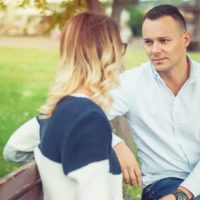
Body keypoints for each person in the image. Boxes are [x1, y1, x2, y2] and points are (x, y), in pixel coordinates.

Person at [3, 4, 200, 200]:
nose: (154, 50)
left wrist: (183, 194)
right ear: (108, 55)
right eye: (148, 42)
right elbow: (88, 117)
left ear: (185, 39)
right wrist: (116, 143)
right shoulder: (126, 87)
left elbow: (15, 148)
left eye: (164, 41)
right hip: (162, 184)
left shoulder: (64, 110)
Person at [4, 12, 126, 200]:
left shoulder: (56, 111)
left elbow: (13, 150)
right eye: (121, 47)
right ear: (108, 53)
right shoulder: (89, 118)